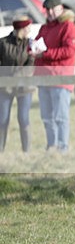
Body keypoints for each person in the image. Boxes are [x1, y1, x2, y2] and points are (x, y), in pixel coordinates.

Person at [32, 0, 75, 153]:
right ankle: (51, 145)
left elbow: (69, 51)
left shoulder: (68, 27)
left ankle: (62, 147)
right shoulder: (44, 29)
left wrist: (45, 54)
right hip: (44, 77)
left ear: (61, 9)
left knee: (60, 116)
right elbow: (38, 44)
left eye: (54, 9)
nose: (51, 12)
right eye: (48, 9)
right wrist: (32, 50)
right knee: (46, 117)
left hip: (60, 78)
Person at [0, 15, 36, 152]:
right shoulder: (3, 43)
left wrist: (15, 77)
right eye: (28, 26)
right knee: (2, 120)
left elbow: (31, 66)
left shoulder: (30, 44)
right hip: (4, 88)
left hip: (24, 88)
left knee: (23, 119)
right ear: (21, 27)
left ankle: (26, 151)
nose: (30, 29)